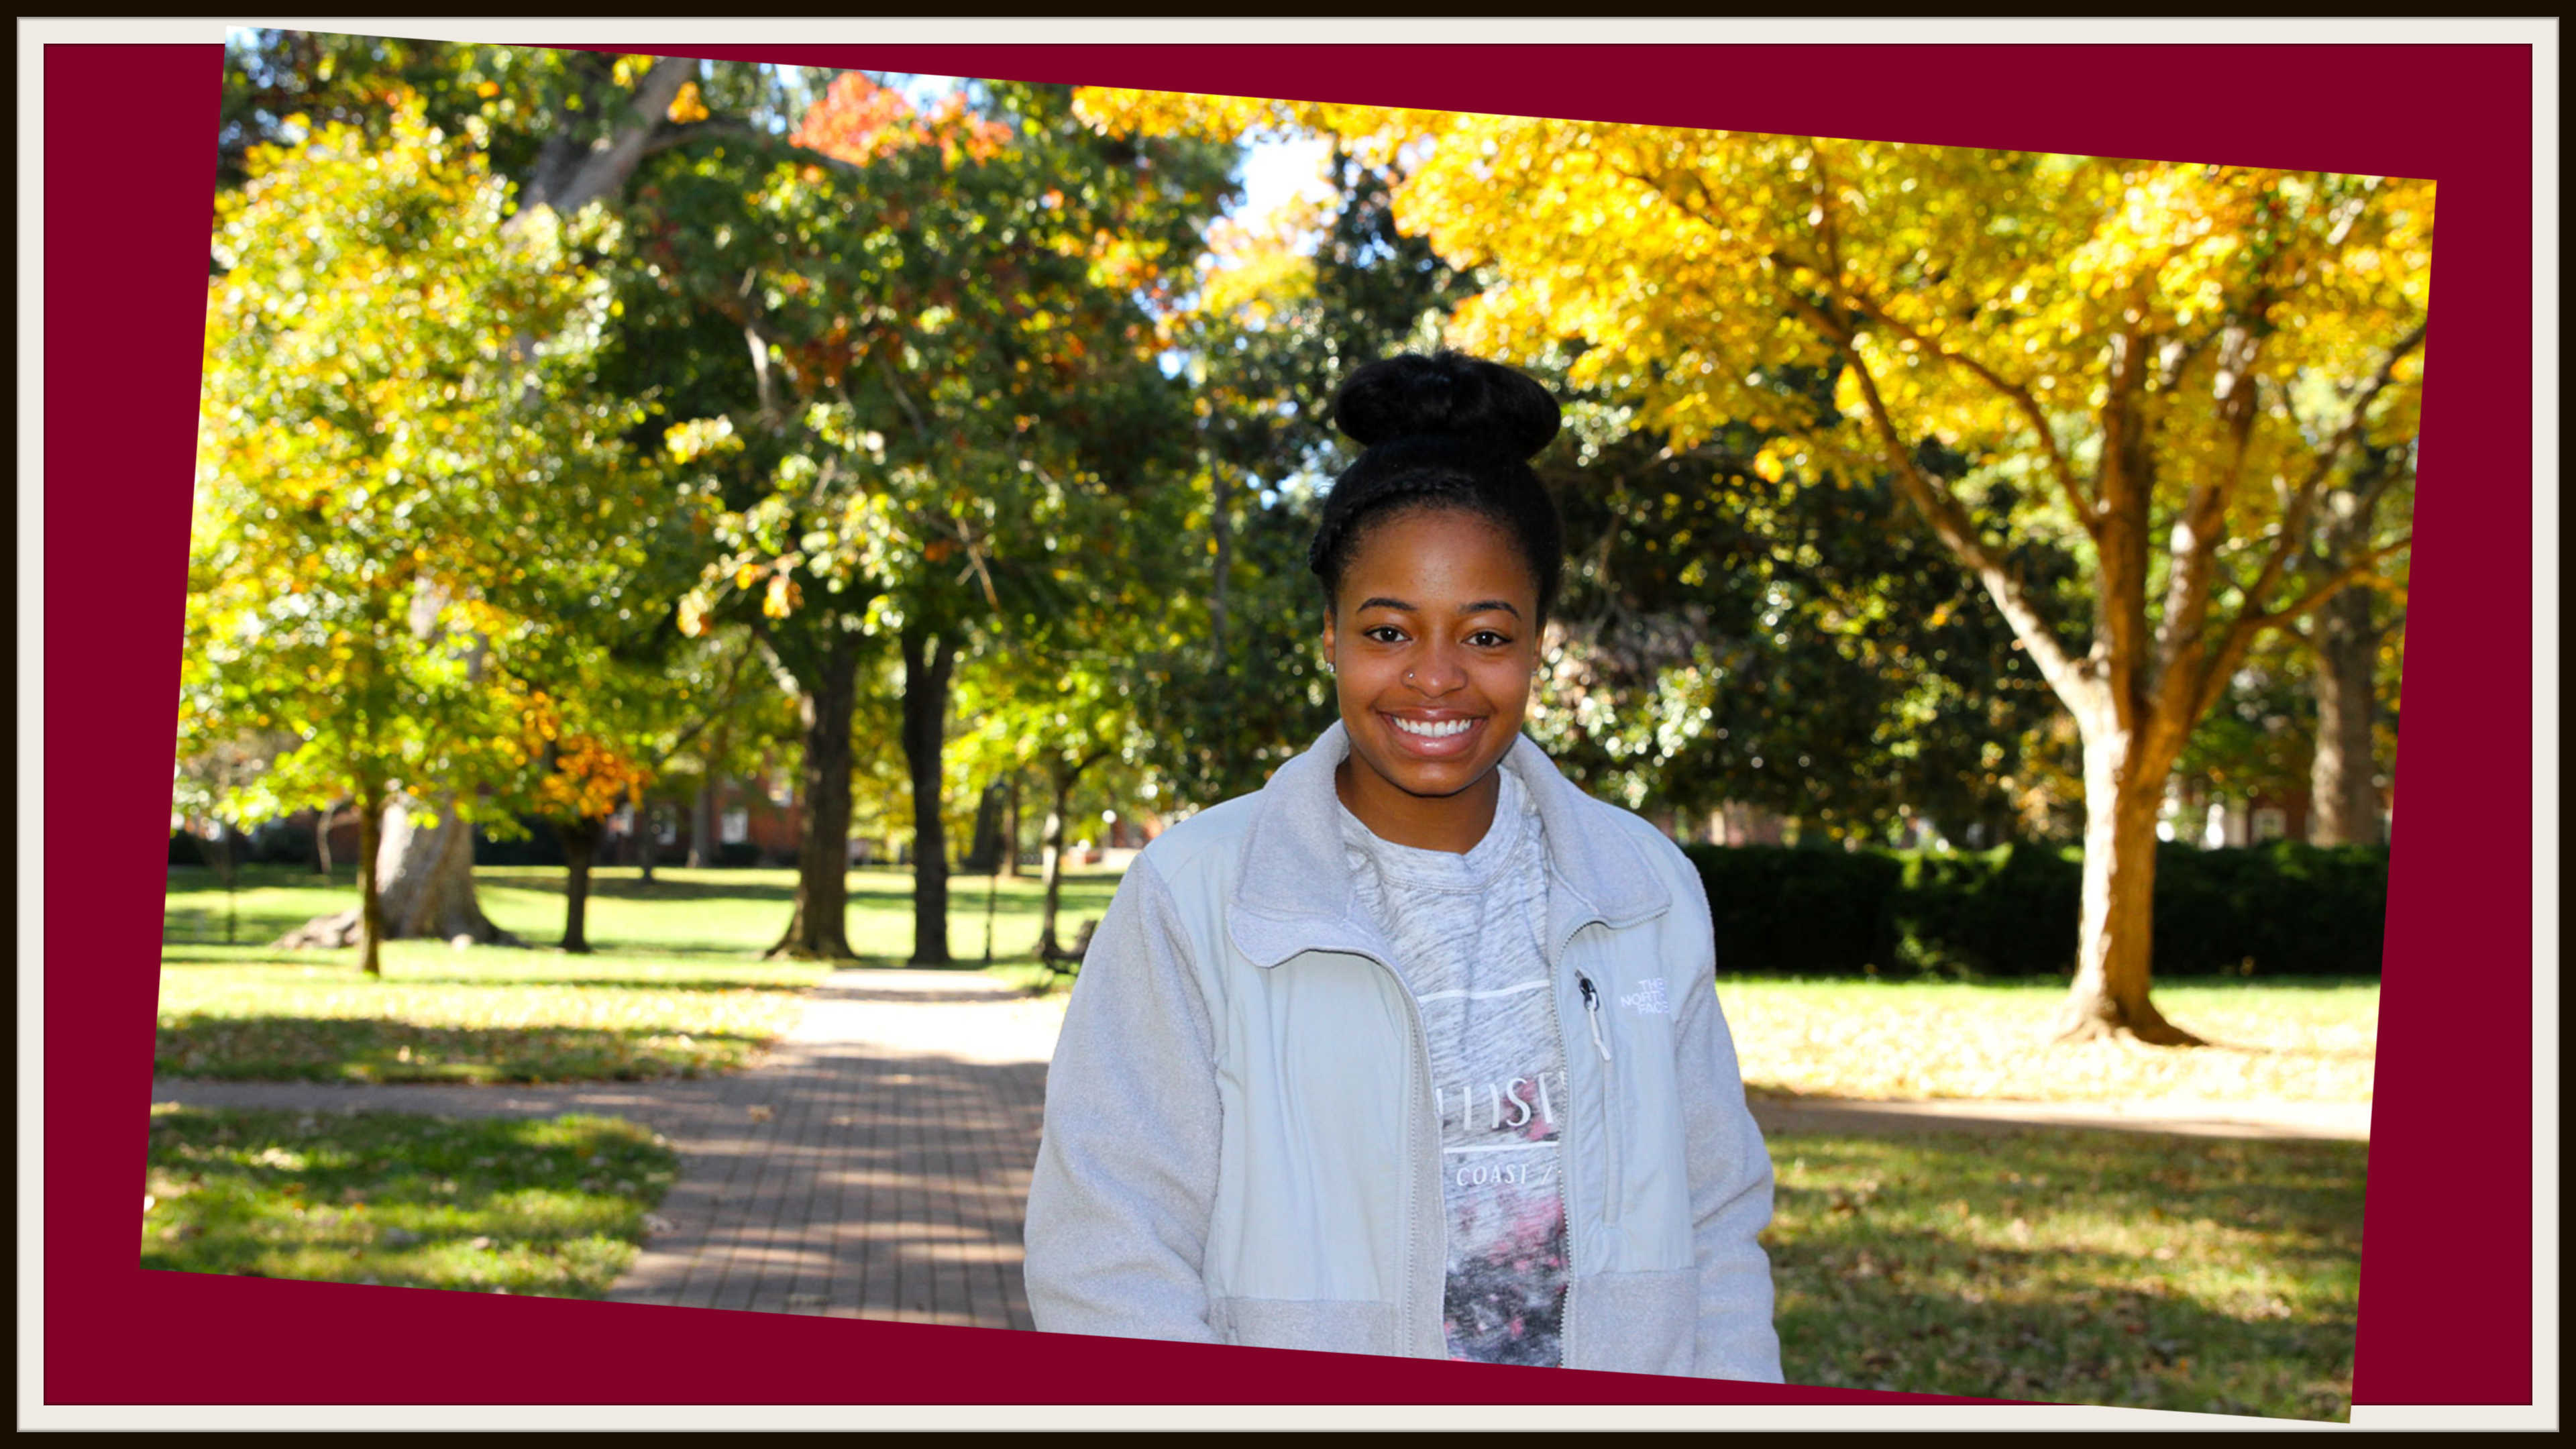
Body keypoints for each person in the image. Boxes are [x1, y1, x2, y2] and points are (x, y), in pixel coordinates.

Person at [1022, 350, 1780, 1380]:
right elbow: (1107, 1249)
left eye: (1485, 633)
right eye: (1388, 630)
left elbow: (1716, 1223)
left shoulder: (1642, 891)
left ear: (1538, 646)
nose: (1436, 676)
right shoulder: (1200, 895)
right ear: (1331, 636)